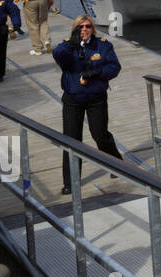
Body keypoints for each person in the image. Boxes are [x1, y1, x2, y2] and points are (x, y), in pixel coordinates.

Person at [52, 15, 122, 195]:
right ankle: (70, 181)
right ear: (75, 29)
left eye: (88, 26)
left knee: (100, 134)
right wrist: (71, 45)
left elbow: (114, 67)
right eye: (80, 27)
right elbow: (58, 56)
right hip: (73, 98)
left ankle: (115, 164)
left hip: (95, 97)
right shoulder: (67, 45)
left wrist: (98, 72)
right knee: (71, 139)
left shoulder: (103, 45)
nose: (84, 29)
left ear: (93, 29)